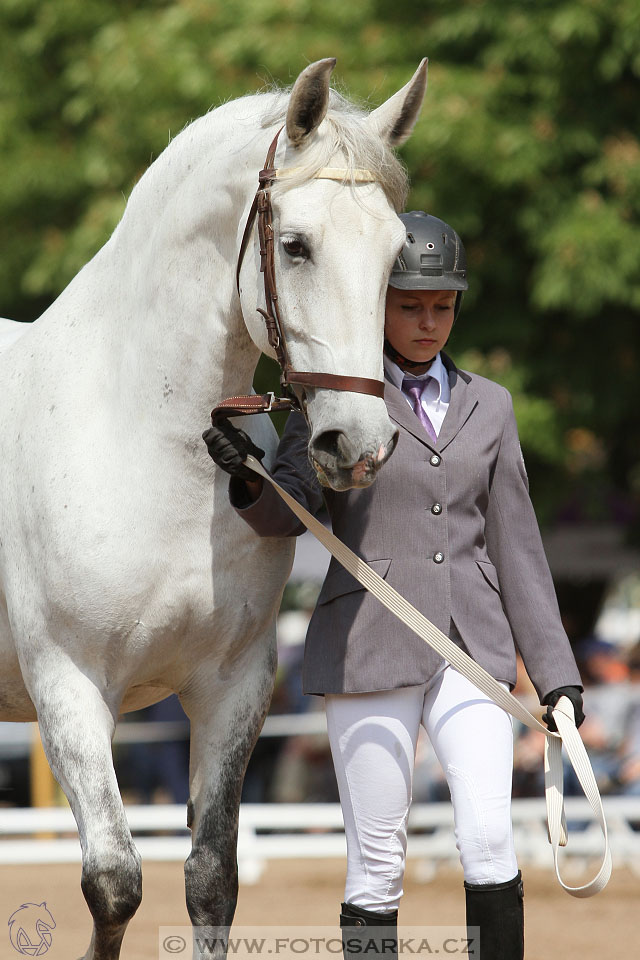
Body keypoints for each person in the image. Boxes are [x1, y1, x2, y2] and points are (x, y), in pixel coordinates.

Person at [203, 212, 585, 960]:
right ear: (378, 302)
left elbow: (519, 551)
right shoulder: (334, 397)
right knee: (377, 861)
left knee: (488, 838)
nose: (428, 322)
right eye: (411, 305)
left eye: (442, 306)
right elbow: (290, 514)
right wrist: (247, 478)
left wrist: (558, 676)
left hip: (474, 647)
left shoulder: (494, 406)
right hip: (370, 642)